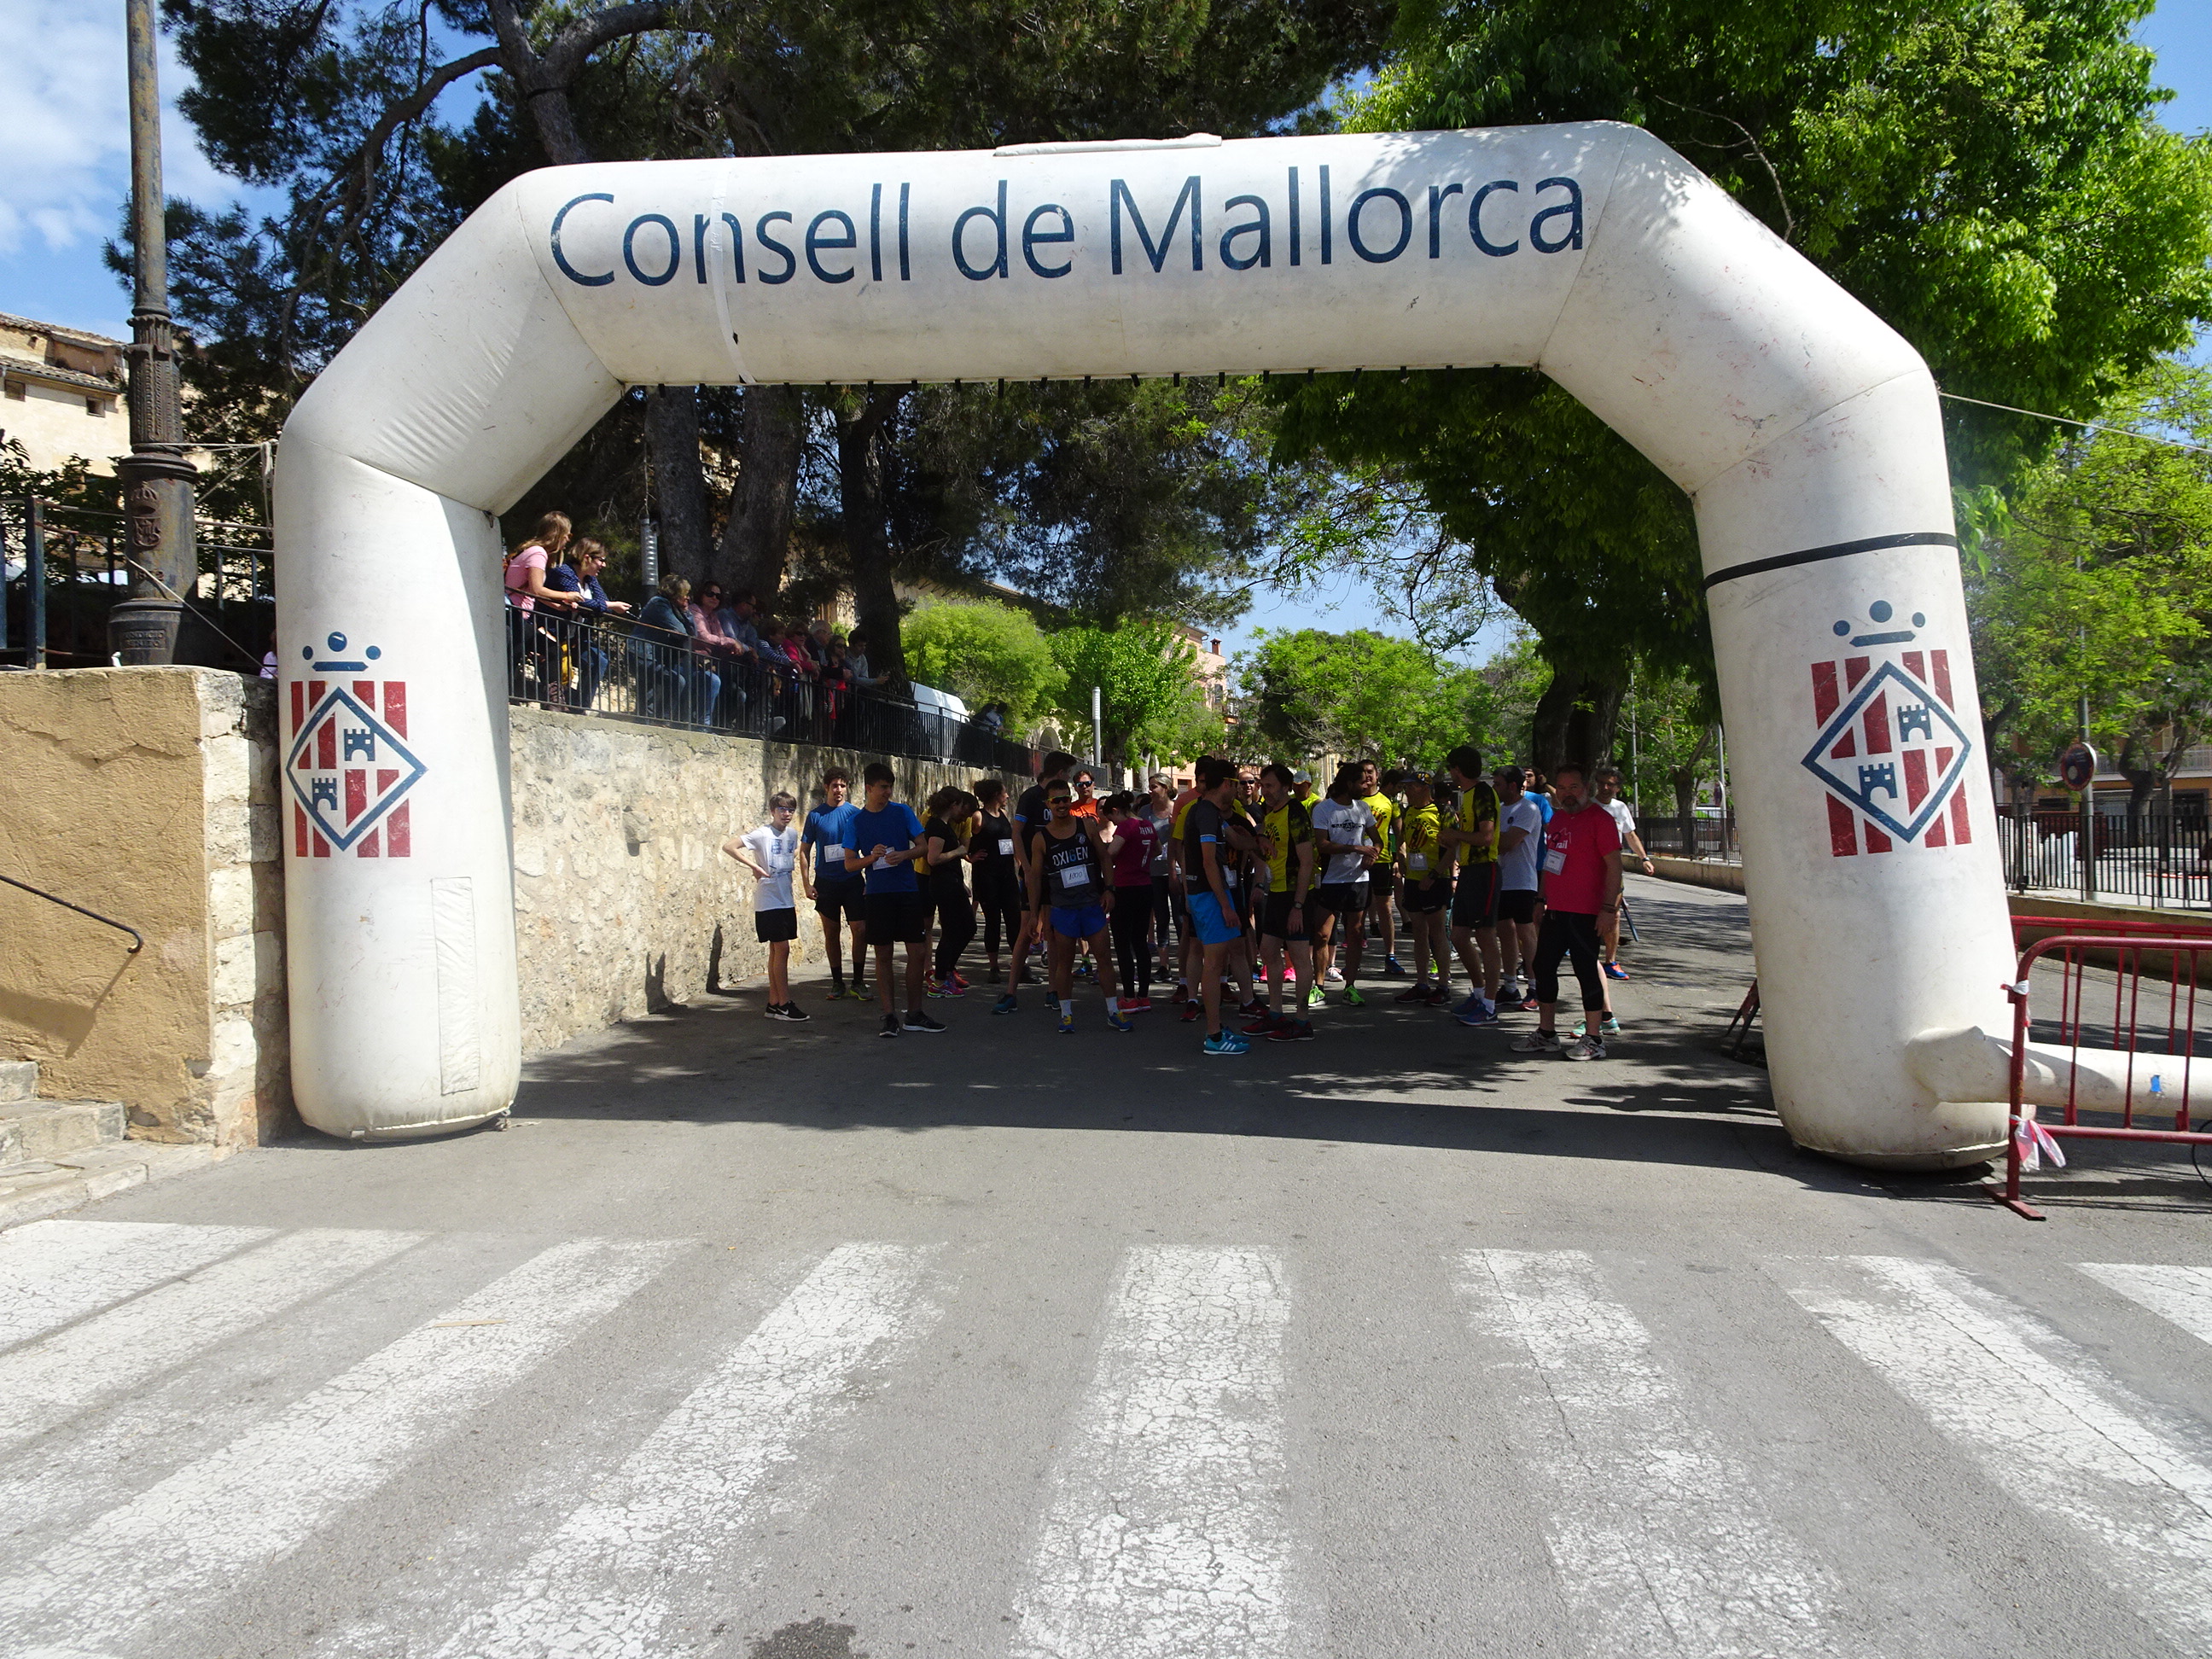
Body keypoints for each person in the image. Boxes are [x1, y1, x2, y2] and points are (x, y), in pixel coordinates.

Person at [1511, 761, 1622, 1061]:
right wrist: (1540, 900)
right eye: (1561, 788)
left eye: (1574, 787)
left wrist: (1608, 909)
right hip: (1556, 910)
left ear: (1586, 788)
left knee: (1586, 971)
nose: (1567, 793)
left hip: (1587, 911)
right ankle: (1547, 1033)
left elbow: (1615, 867)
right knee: (1543, 967)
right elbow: (1551, 862)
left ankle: (1594, 1038)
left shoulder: (1600, 820)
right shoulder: (1559, 818)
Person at [841, 762, 944, 1037]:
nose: (888, 792)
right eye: (883, 787)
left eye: (890, 787)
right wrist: (871, 858)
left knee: (918, 952)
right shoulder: (856, 821)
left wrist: (904, 855)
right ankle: (889, 1016)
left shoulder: (902, 812)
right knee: (883, 955)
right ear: (869, 788)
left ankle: (915, 1013)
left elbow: (923, 846)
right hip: (878, 895)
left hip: (907, 890)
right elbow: (849, 864)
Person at [1026, 779, 1132, 1034]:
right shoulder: (1041, 838)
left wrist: (1110, 889)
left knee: (1104, 958)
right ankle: (1066, 1015)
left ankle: (1112, 1011)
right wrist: (1033, 916)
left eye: (1065, 799)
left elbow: (1104, 858)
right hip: (1063, 908)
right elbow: (1035, 879)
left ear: (1070, 799)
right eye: (1056, 801)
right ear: (1048, 804)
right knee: (1064, 962)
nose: (1062, 805)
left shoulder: (1086, 826)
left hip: (1091, 904)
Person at [994, 750, 1079, 1013]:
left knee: (1052, 933)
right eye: (1069, 773)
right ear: (1061, 773)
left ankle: (1053, 989)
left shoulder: (1063, 801)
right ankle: (1011, 991)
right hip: (1034, 874)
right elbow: (1017, 833)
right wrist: (1026, 866)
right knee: (1026, 931)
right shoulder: (1031, 797)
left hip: (1057, 875)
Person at [1183, 755, 1255, 1055]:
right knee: (1213, 965)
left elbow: (1235, 840)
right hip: (1208, 895)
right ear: (1226, 783)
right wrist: (1226, 905)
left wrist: (1260, 842)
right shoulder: (1204, 813)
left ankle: (1216, 1027)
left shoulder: (1210, 812)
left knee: (1218, 959)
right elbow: (1208, 861)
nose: (1238, 789)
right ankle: (1213, 1036)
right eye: (1236, 784)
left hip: (1212, 895)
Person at [720, 792, 809, 1022]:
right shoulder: (762, 834)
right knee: (783, 949)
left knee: (776, 951)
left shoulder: (792, 834)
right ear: (772, 811)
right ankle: (785, 1004)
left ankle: (774, 1003)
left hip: (786, 898)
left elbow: (792, 854)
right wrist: (755, 867)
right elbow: (729, 846)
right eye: (782, 809)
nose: (786, 814)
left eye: (790, 810)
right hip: (768, 900)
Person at [1249, 763, 1318, 1041]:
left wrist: (1298, 906)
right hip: (1276, 892)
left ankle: (1302, 1021)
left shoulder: (1296, 812)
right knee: (1267, 950)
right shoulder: (1270, 812)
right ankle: (1275, 1013)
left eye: (1270, 786)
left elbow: (1307, 862)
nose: (1265, 791)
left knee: (1299, 957)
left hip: (1295, 893)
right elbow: (1267, 848)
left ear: (1286, 787)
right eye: (1263, 786)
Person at [1439, 744, 1504, 1027]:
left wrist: (1455, 834)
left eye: (1451, 768)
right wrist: (1452, 839)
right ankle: (1478, 992)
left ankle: (1490, 1004)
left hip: (1484, 870)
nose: (1450, 774)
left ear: (1458, 769)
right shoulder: (1466, 796)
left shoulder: (1482, 793)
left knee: (1486, 936)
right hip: (1467, 870)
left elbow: (1486, 837)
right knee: (1459, 935)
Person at [800, 767, 867, 1000]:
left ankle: (858, 981)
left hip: (852, 880)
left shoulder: (856, 814)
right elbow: (804, 850)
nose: (838, 790)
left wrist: (870, 879)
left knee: (860, 929)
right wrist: (806, 884)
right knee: (831, 932)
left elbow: (868, 848)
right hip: (826, 882)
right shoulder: (815, 816)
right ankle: (837, 982)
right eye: (835, 785)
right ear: (826, 787)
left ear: (847, 788)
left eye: (842, 786)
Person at [544, 538, 630, 712]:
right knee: (558, 670)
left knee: (599, 660)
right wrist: (610, 605)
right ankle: (559, 701)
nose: (604, 565)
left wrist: (605, 605)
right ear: (587, 557)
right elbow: (582, 602)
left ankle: (581, 705)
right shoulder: (564, 572)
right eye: (601, 560)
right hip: (553, 633)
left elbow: (601, 604)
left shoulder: (590, 580)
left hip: (576, 637)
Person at [1392, 771, 1455, 1007]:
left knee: (1437, 932)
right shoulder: (1408, 811)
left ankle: (1443, 986)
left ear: (1425, 788)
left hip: (1435, 879)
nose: (1407, 791)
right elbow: (1403, 839)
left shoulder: (1442, 811)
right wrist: (1400, 858)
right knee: (1418, 932)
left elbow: (1453, 848)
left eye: (1412, 786)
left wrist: (1435, 874)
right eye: (1406, 787)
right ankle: (1421, 983)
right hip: (1413, 879)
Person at [504, 511, 576, 706]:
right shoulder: (538, 553)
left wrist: (559, 606)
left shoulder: (532, 551)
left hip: (518, 616)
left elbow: (533, 593)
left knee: (544, 650)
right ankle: (549, 700)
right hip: (515, 615)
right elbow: (537, 589)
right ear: (558, 533)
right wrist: (566, 596)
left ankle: (551, 699)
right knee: (521, 654)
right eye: (568, 534)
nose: (568, 539)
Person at [1593, 765, 1656, 981]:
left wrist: (1644, 858)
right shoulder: (1587, 807)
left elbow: (1630, 835)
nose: (1605, 788)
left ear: (1617, 788)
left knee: (1614, 914)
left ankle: (1610, 961)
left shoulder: (1620, 808)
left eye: (1610, 784)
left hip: (1612, 869)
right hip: (1589, 869)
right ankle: (1587, 958)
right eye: (1601, 783)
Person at [635, 574, 720, 728]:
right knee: (674, 682)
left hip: (656, 656)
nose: (687, 598)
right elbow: (681, 631)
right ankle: (660, 721)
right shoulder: (659, 604)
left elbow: (692, 633)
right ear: (675, 593)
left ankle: (657, 721)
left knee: (660, 688)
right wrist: (685, 617)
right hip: (642, 653)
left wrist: (686, 612)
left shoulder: (676, 608)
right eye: (684, 594)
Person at [1101, 792, 1159, 1010]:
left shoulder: (1126, 827)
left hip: (1125, 888)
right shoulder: (1147, 825)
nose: (1113, 824)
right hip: (1145, 885)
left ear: (1116, 811)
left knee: (1123, 943)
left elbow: (1110, 854)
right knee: (1140, 942)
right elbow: (1158, 849)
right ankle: (1143, 995)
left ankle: (1128, 997)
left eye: (1112, 819)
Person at [1494, 765, 1545, 1009]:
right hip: (1500, 880)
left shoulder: (1528, 809)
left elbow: (1508, 843)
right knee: (1505, 933)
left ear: (1512, 786)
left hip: (1522, 881)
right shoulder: (1498, 809)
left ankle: (1535, 987)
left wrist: (1482, 839)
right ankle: (1510, 986)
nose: (1495, 789)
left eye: (1498, 784)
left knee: (1526, 934)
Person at [921, 785, 978, 998]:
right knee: (952, 931)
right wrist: (958, 851)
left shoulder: (945, 825)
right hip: (944, 885)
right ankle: (940, 980)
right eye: (959, 806)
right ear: (953, 805)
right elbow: (933, 859)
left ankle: (947, 970)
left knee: (967, 927)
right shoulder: (937, 826)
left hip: (953, 883)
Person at [970, 779, 1024, 985]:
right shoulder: (978, 816)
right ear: (995, 795)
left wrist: (1020, 865)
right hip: (987, 877)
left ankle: (1019, 965)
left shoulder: (1003, 815)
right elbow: (963, 840)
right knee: (992, 922)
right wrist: (969, 857)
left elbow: (1011, 842)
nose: (1007, 796)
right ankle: (994, 967)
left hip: (1007, 876)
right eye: (1004, 792)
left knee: (1015, 921)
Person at [1359, 760, 1402, 975]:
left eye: (1370, 772)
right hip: (1356, 862)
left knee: (1385, 908)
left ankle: (1390, 955)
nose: (1367, 776)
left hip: (1382, 861)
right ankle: (1354, 956)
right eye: (1363, 772)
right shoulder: (1353, 800)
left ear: (1377, 775)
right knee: (1357, 911)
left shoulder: (1389, 802)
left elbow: (1400, 834)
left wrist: (1398, 860)